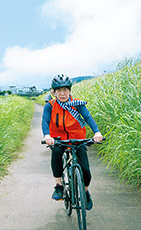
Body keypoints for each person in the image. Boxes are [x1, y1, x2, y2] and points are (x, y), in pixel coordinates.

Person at [43, 74, 103, 211]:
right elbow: (45, 122)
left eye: (65, 90)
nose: (62, 93)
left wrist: (97, 132)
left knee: (86, 169)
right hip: (59, 139)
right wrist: (47, 136)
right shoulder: (50, 106)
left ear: (70, 90)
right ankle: (58, 186)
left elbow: (88, 117)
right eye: (58, 90)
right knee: (56, 152)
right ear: (53, 92)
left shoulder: (78, 104)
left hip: (77, 139)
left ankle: (86, 193)